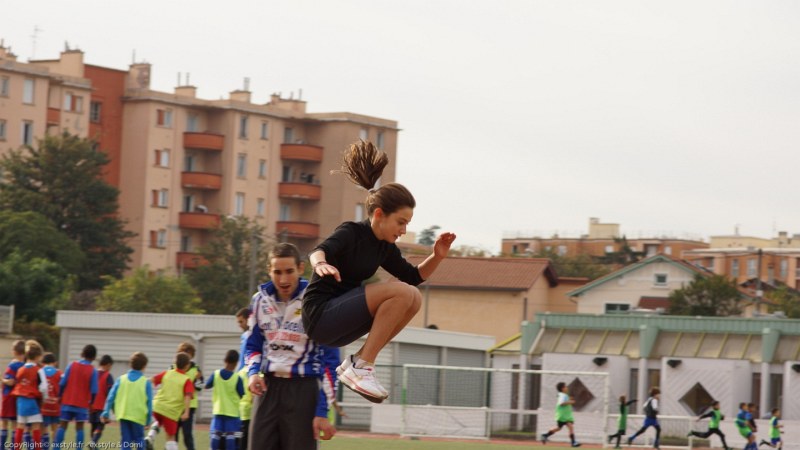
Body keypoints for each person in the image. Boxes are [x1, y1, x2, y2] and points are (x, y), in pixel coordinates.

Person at [302, 140, 456, 402]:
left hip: (341, 325)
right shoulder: (352, 232)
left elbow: (414, 277)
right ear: (379, 214)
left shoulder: (385, 247)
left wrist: (437, 256)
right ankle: (362, 367)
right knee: (401, 293)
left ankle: (359, 362)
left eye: (407, 224)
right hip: (321, 315)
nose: (404, 230)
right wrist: (320, 264)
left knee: (413, 297)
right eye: (401, 222)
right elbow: (319, 250)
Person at [246, 243, 337, 450]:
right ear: (269, 270)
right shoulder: (259, 301)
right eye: (277, 272)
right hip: (268, 388)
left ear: (300, 268)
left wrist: (322, 411)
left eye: (289, 271)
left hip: (303, 390)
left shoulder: (315, 300)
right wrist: (252, 373)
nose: (283, 279)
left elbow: (330, 361)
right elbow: (252, 346)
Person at [102, 352, 153, 450]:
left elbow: (110, 397)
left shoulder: (121, 379)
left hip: (123, 414)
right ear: (144, 366)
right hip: (138, 416)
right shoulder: (145, 382)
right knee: (139, 440)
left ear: (130, 364)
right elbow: (149, 403)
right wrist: (148, 420)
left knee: (125, 441)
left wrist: (106, 412)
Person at [146, 352, 193, 450]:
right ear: (187, 366)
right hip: (171, 412)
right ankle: (152, 438)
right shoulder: (186, 380)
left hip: (157, 407)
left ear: (174, 362)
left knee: (158, 421)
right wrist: (186, 412)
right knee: (171, 437)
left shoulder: (167, 373)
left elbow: (152, 380)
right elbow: (187, 397)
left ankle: (150, 436)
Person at [56, 344, 98, 448]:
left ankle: (56, 447)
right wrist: (91, 403)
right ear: (94, 357)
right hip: (81, 404)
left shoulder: (72, 365)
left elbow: (62, 383)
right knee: (80, 428)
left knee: (62, 425)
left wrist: (60, 395)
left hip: (67, 401)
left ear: (82, 353)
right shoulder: (92, 370)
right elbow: (94, 390)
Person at [205, 350, 244, 450]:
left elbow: (206, 386)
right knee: (230, 440)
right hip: (232, 414)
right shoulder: (237, 378)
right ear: (236, 363)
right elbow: (241, 394)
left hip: (218, 412)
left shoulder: (216, 374)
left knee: (215, 439)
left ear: (224, 360)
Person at [11, 341, 45, 450]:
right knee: (36, 426)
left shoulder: (20, 369)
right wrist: (44, 398)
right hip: (32, 401)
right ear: (38, 356)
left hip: (20, 401)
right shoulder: (38, 370)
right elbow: (43, 387)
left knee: (20, 426)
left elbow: (19, 382)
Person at [175, 342, 203, 450]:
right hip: (175, 404)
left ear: (192, 355)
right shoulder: (173, 367)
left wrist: (198, 380)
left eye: (188, 353)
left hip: (189, 407)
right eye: (183, 352)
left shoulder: (196, 369)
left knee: (187, 435)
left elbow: (200, 387)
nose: (186, 355)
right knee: (173, 433)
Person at [1, 340, 26, 449]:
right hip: (18, 398)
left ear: (15, 351)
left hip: (8, 396)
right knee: (15, 424)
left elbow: (10, 381)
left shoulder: (13, 365)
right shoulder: (25, 365)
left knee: (4, 423)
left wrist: (2, 380)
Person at [541, 382, 581, 447]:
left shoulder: (563, 395)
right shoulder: (563, 395)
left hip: (566, 416)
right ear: (562, 388)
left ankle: (545, 435)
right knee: (569, 427)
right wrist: (570, 402)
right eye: (565, 386)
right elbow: (561, 403)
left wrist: (569, 399)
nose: (567, 388)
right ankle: (573, 442)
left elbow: (563, 400)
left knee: (559, 428)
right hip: (563, 416)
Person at [90, 354, 114, 446]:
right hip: (102, 406)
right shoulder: (108, 376)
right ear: (108, 365)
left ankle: (93, 443)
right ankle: (93, 442)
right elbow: (110, 393)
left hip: (92, 405)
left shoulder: (93, 373)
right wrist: (111, 407)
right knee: (100, 426)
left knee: (93, 426)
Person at [39, 353, 62, 448]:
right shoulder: (59, 373)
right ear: (55, 363)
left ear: (43, 363)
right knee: (55, 429)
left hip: (43, 405)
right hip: (55, 405)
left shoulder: (40, 371)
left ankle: (45, 447)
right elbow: (62, 388)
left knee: (43, 429)